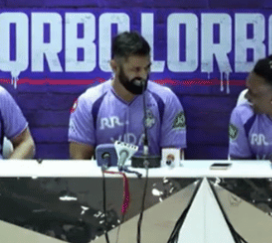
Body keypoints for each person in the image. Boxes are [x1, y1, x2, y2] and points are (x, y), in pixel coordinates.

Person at [68, 31, 186, 159]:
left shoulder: (166, 100)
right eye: (136, 70)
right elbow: (80, 162)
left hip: (152, 172)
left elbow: (173, 162)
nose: (143, 75)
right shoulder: (88, 102)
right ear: (114, 67)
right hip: (106, 172)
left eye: (147, 68)